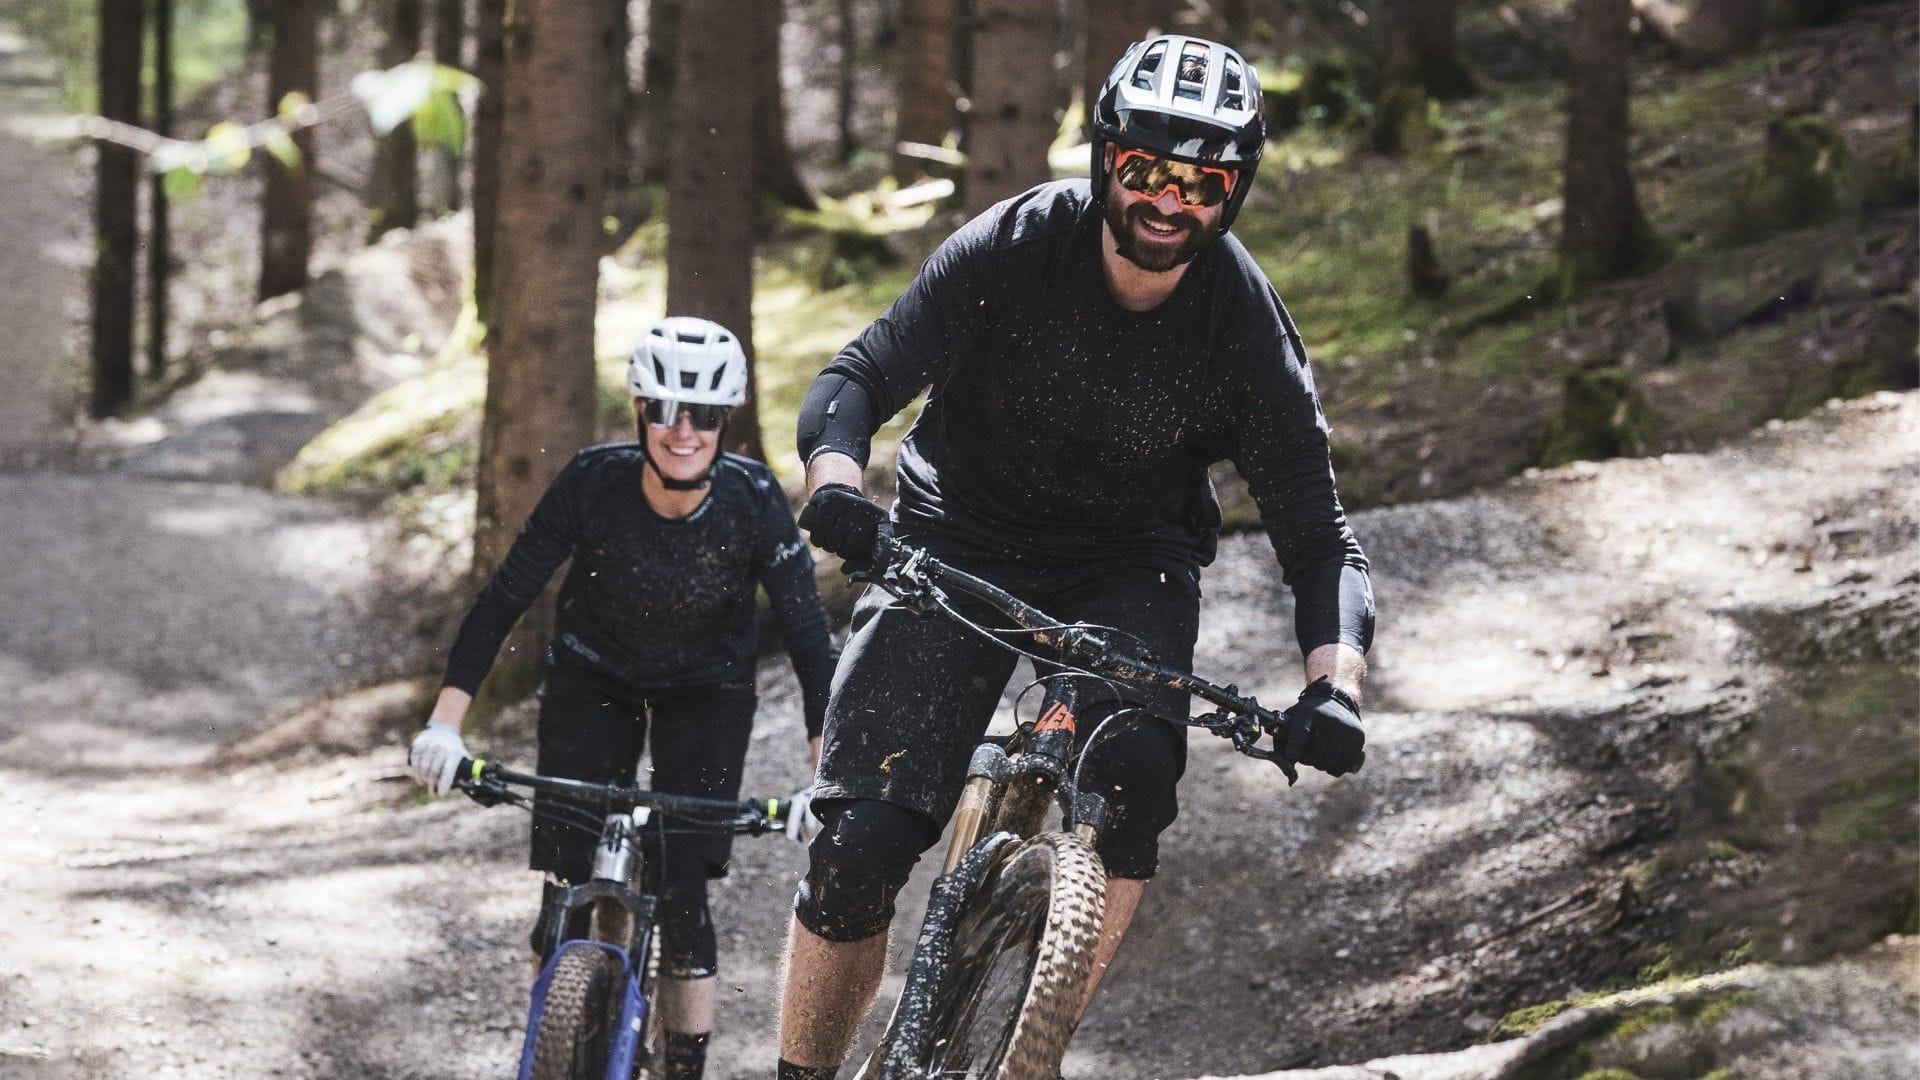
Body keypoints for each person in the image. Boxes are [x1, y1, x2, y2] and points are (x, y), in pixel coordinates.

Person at [774, 35, 1376, 1079]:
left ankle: (1029, 1047)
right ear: (1106, 159)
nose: (1167, 203)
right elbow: (861, 376)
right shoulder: (1014, 245)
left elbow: (1322, 543)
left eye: (1202, 183)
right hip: (952, 530)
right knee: (861, 845)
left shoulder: (1245, 328)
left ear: (1235, 191)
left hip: (1125, 562)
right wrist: (835, 483)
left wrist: (1335, 688)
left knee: (1137, 774)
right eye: (1146, 170)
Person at [407, 317, 838, 1080]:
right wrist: (445, 727)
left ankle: (682, 1068)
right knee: (567, 878)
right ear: (640, 409)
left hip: (707, 689)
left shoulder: (752, 500)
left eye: (704, 414)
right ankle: (558, 1046)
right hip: (592, 676)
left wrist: (824, 779)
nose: (683, 430)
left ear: (724, 421)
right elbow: (506, 596)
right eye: (666, 409)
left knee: (680, 893)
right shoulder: (593, 482)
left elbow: (809, 639)